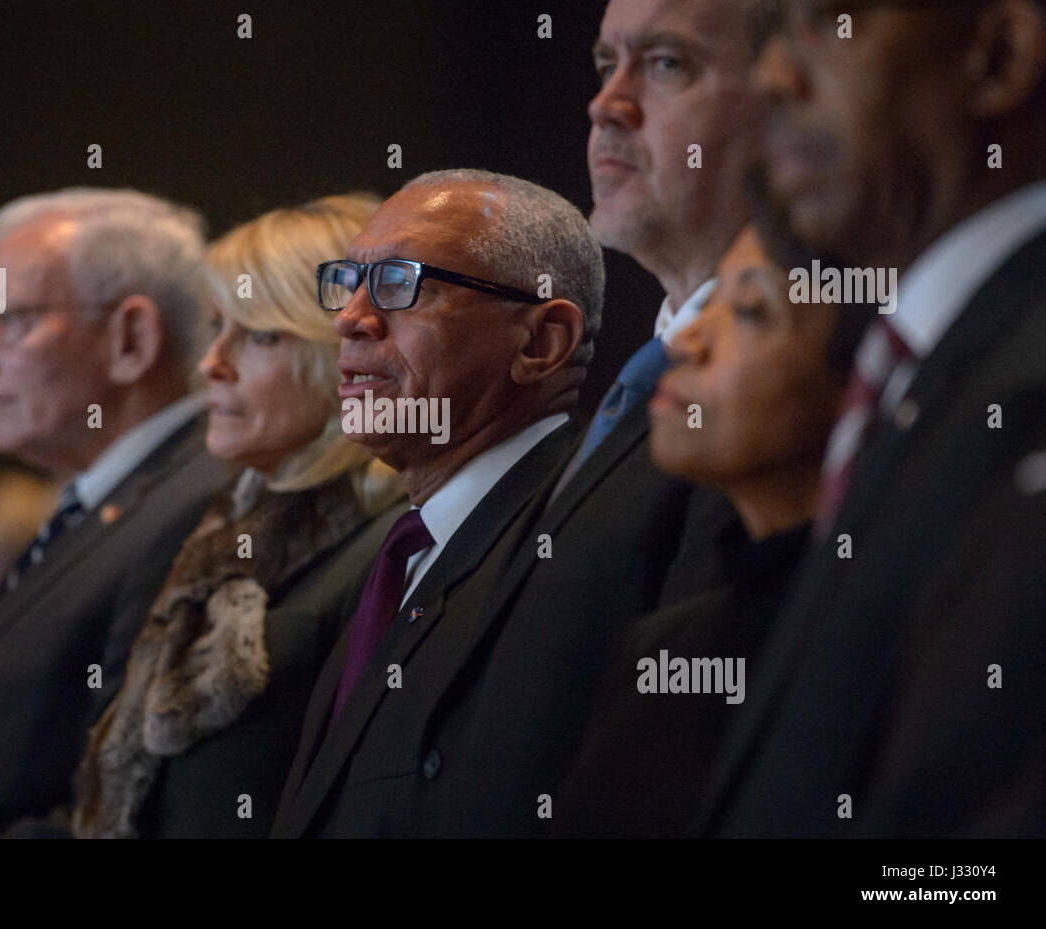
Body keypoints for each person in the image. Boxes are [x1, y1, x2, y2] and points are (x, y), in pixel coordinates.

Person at [364, 0, 781, 837]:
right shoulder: (643, 391)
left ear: (796, 96)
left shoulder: (791, 398)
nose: (606, 103)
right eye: (604, 65)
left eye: (667, 64)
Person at [703, 0, 1046, 837]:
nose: (773, 75)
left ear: (997, 55)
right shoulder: (919, 374)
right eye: (771, 37)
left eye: (831, 21)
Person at [0, 188, 228, 837]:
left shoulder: (196, 507)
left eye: (4, 321)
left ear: (131, 337)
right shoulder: (108, 501)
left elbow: (126, 811)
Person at [270, 169, 604, 838]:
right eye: (349, 281)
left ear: (540, 343)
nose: (350, 319)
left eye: (401, 283)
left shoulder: (581, 551)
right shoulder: (406, 554)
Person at [71, 194, 405, 838]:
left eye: (257, 334)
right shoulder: (221, 528)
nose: (210, 363)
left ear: (342, 350)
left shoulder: (388, 548)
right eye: (215, 325)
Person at [556, 223, 865, 836]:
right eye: (711, 300)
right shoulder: (663, 647)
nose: (688, 338)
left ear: (865, 374)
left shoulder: (899, 631)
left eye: (750, 310)